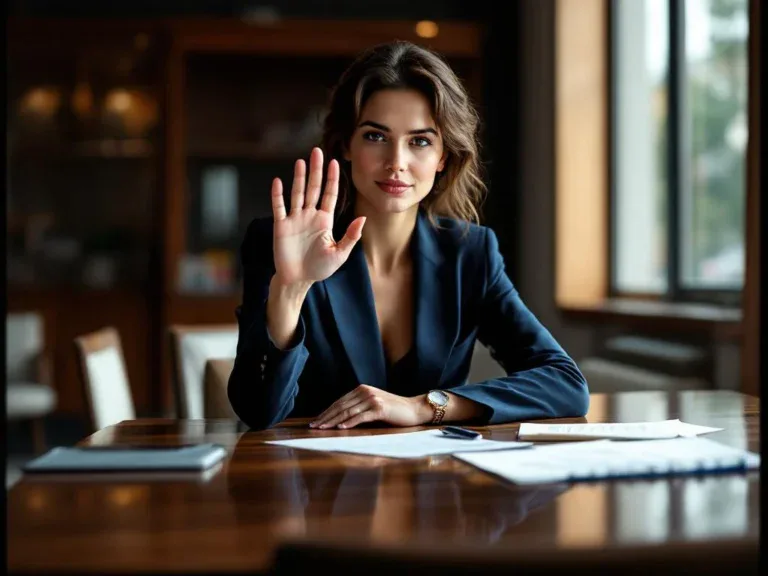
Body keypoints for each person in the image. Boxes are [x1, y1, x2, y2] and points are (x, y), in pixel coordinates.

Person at [228, 40, 589, 431]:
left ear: (443, 157)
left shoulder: (471, 253)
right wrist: (291, 291)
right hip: (315, 481)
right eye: (375, 136)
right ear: (346, 144)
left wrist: (425, 407)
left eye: (420, 141)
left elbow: (566, 384)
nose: (396, 162)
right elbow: (258, 412)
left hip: (433, 481)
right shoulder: (283, 243)